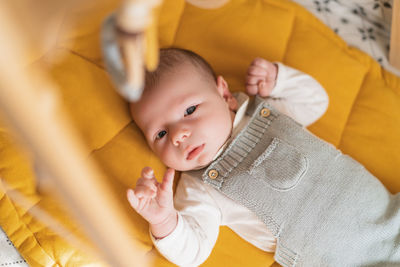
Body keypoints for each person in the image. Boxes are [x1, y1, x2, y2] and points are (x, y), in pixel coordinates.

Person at [127, 48, 400, 266]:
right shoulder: (200, 188)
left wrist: (278, 80)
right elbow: (193, 253)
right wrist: (163, 221)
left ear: (224, 95)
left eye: (189, 111)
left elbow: (315, 102)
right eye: (160, 134)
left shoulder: (267, 110)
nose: (178, 135)